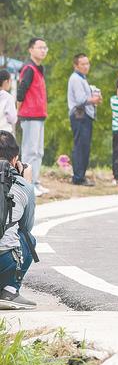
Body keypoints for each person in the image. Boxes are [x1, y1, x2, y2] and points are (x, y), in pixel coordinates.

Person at [0, 131, 38, 310]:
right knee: (29, 239)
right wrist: (26, 181)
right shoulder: (22, 186)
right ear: (15, 159)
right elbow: (26, 226)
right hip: (5, 261)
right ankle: (10, 290)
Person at [16, 38, 48, 198]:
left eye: (45, 47)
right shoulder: (28, 68)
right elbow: (21, 92)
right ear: (31, 50)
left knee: (39, 151)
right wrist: (18, 111)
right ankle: (26, 185)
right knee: (30, 151)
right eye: (40, 47)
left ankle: (35, 182)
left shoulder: (39, 68)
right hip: (29, 116)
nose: (43, 50)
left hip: (39, 115)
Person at [66, 54, 101, 187]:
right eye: (83, 64)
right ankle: (78, 177)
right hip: (80, 115)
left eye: (88, 63)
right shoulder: (75, 79)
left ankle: (80, 175)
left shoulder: (82, 78)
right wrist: (94, 99)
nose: (87, 66)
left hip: (84, 115)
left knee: (84, 146)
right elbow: (80, 100)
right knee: (81, 146)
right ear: (76, 65)